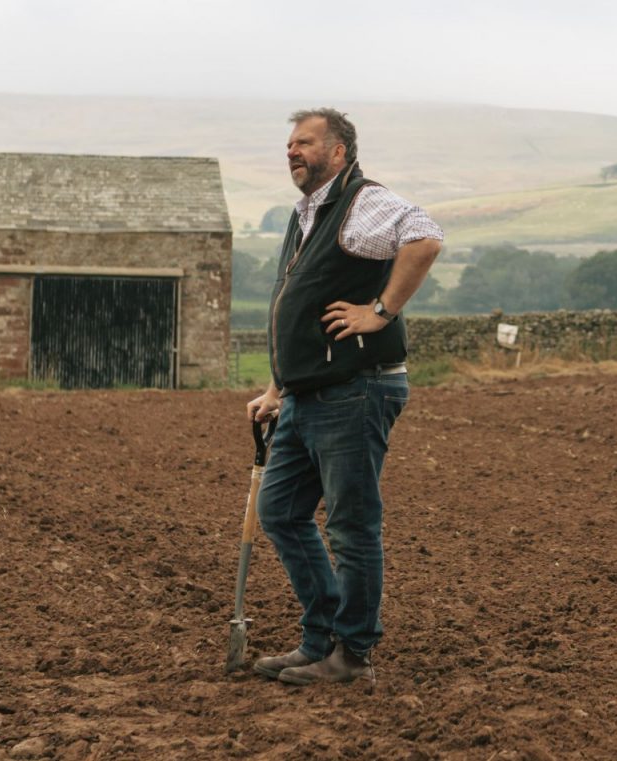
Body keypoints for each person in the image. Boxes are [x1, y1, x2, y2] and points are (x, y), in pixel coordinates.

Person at [246, 108, 443, 686]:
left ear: (338, 152)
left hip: (356, 390)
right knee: (280, 512)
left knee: (351, 526)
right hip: (308, 395)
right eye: (288, 143)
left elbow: (425, 237)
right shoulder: (307, 213)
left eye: (304, 142)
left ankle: (352, 655)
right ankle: (318, 638)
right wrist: (278, 385)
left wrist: (379, 312)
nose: (291, 150)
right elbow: (302, 304)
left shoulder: (362, 202)